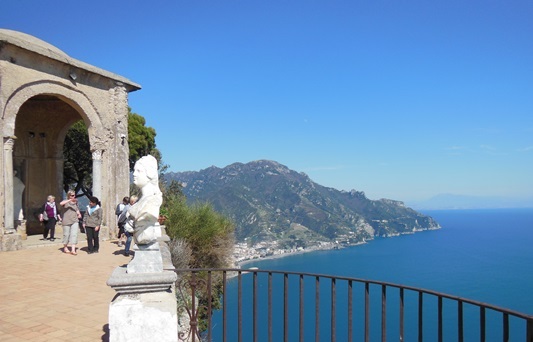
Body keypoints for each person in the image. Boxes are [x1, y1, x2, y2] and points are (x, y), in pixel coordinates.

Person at [124, 155, 162, 245]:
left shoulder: (153, 200)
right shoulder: (142, 200)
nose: (134, 174)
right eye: (134, 170)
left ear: (150, 174)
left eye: (138, 171)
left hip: (145, 235)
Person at [60, 190, 82, 255]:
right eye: (72, 195)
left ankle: (73, 249)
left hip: (74, 220)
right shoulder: (66, 202)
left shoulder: (75, 202)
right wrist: (69, 200)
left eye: (74, 195)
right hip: (66, 221)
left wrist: (79, 214)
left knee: (74, 234)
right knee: (66, 235)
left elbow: (77, 209)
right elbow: (61, 203)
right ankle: (65, 247)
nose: (74, 196)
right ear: (69, 196)